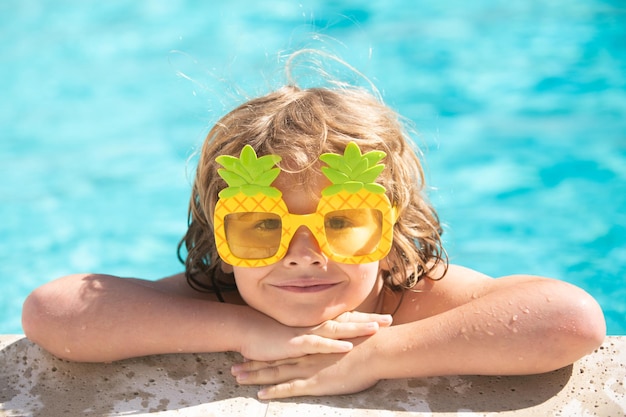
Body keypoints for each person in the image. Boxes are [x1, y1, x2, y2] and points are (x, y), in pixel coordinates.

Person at [21, 57, 605, 400]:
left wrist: (379, 356)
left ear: (394, 230)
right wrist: (247, 331)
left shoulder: (411, 295)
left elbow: (569, 320)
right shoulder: (219, 295)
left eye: (343, 223)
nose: (303, 255)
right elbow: (55, 312)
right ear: (218, 239)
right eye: (262, 228)